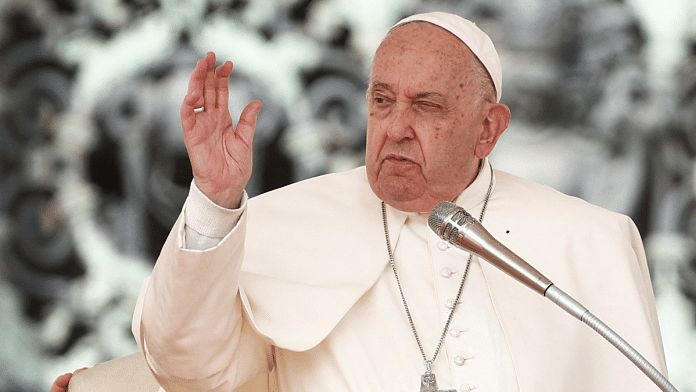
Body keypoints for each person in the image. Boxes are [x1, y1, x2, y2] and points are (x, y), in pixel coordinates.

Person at [52, 11, 668, 392]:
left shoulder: (589, 242)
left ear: (488, 129)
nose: (396, 126)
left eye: (426, 106)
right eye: (381, 101)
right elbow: (185, 368)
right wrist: (215, 200)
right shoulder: (284, 225)